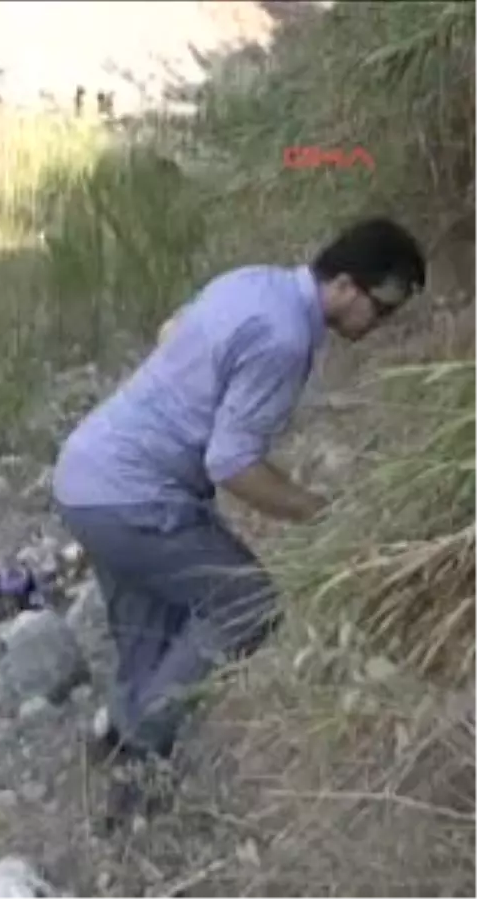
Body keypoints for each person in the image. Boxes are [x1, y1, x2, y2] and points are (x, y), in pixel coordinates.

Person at [52, 217, 427, 828]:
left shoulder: (255, 282)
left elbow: (170, 329)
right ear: (346, 287)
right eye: (382, 310)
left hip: (84, 475)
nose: (380, 326)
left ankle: (126, 747)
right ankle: (144, 746)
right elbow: (231, 463)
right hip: (131, 494)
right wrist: (318, 512)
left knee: (148, 618)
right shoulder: (285, 337)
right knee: (248, 604)